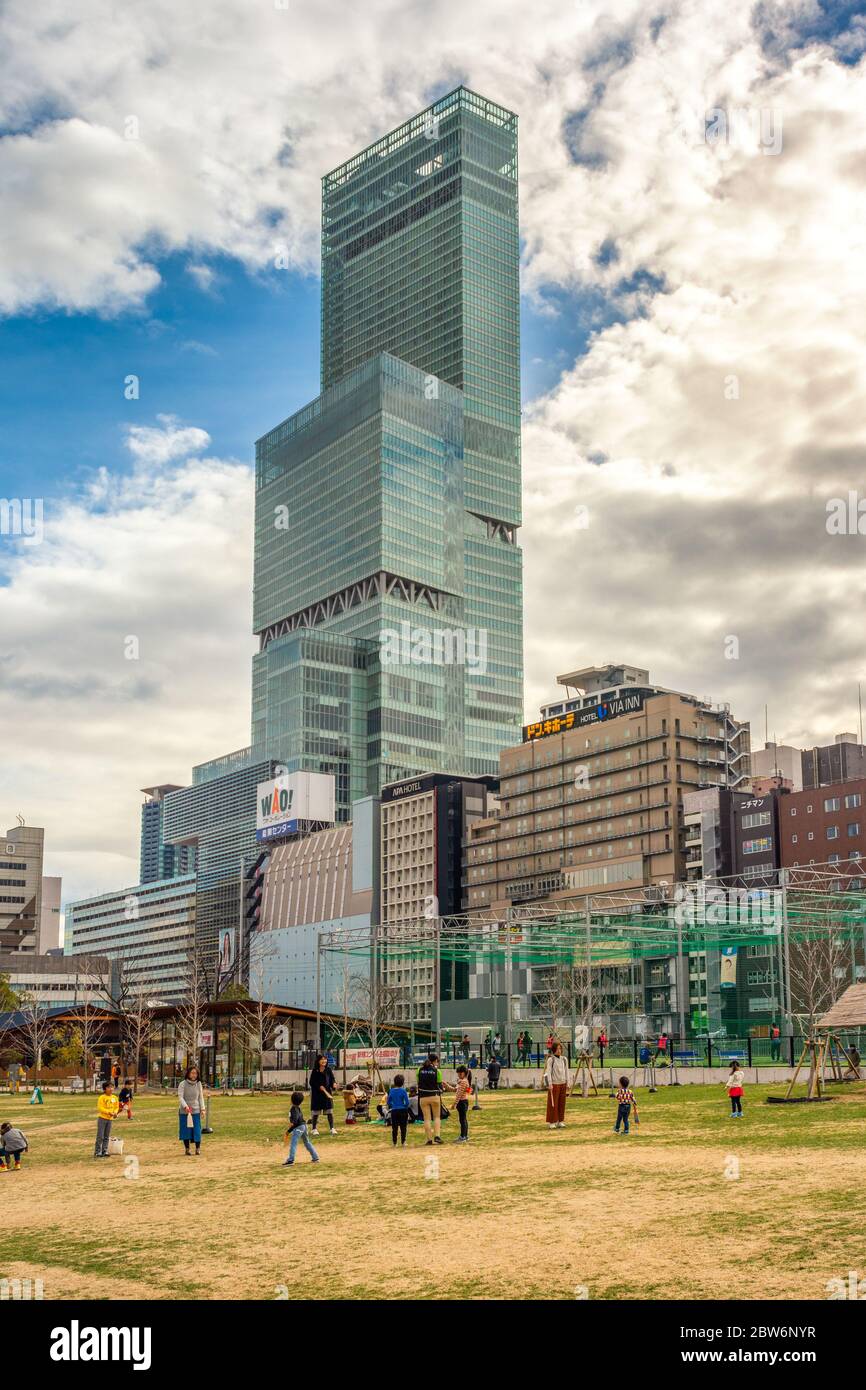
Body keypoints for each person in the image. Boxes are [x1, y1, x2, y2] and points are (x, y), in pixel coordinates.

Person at [283, 1090, 319, 1166]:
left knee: (293, 1143)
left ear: (292, 1100)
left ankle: (291, 1160)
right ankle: (315, 1157)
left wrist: (288, 1131)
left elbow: (295, 1121)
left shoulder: (293, 1109)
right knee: (307, 1142)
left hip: (298, 1127)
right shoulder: (298, 1108)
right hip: (304, 1126)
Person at [417, 1054, 446, 1145]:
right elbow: (440, 1085)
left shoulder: (419, 1070)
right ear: (435, 1061)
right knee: (437, 1117)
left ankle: (429, 1139)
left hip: (423, 1097)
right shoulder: (437, 1071)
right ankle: (437, 1136)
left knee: (427, 1119)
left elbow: (418, 1082)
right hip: (434, 1096)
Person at [178, 1065, 206, 1155]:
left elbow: (200, 1097)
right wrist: (185, 1106)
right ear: (188, 1073)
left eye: (196, 1073)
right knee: (186, 1130)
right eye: (192, 1073)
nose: (194, 1075)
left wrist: (202, 1109)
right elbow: (181, 1097)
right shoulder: (182, 1084)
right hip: (184, 1111)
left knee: (197, 1130)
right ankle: (187, 1149)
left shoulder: (198, 1084)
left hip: (196, 1110)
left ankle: (198, 1148)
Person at [309, 1054, 338, 1136]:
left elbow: (332, 1079)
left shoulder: (328, 1070)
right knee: (316, 1112)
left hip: (327, 1093)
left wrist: (334, 1084)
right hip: (317, 1095)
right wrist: (319, 1087)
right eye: (322, 1059)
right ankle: (314, 1129)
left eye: (325, 1059)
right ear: (318, 1061)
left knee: (329, 1111)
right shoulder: (315, 1070)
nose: (324, 1061)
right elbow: (311, 1082)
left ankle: (332, 1128)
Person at [544, 1041, 570, 1129]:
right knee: (553, 1104)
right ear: (554, 1049)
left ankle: (560, 1121)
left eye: (560, 1048)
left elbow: (567, 1071)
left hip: (563, 1083)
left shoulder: (564, 1059)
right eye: (557, 1048)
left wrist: (568, 1083)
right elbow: (548, 1072)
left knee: (562, 1103)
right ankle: (552, 1121)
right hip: (554, 1084)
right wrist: (550, 1084)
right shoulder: (551, 1060)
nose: (559, 1050)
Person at [95, 1080, 118, 1158]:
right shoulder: (102, 1097)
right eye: (108, 1087)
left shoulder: (114, 1097)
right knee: (100, 1136)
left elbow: (116, 1107)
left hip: (110, 1119)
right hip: (102, 1119)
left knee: (106, 1136)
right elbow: (100, 1108)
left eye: (112, 1087)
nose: (111, 1089)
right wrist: (109, 1112)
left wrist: (115, 1113)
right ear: (105, 1089)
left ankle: (104, 1151)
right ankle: (97, 1152)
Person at [387, 1073, 410, 1147]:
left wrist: (393, 1105)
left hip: (394, 1111)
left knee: (394, 1127)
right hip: (403, 1110)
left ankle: (394, 1143)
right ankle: (403, 1142)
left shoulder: (391, 1091)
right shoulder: (403, 1091)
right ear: (403, 1082)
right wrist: (404, 1106)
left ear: (394, 1082)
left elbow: (388, 1101)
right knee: (403, 1127)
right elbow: (407, 1102)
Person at [453, 1065, 472, 1143]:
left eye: (460, 1074)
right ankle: (465, 1135)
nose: (458, 1075)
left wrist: (454, 1104)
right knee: (463, 1119)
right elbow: (457, 1090)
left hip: (462, 1102)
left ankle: (463, 1136)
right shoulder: (463, 1081)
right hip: (463, 1102)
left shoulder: (463, 1081)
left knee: (462, 1120)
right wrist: (447, 1086)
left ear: (464, 1073)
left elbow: (459, 1094)